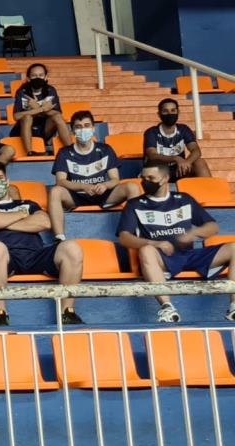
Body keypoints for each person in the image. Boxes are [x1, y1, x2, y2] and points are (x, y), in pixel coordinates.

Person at [117, 161, 235, 322]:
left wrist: (194, 233)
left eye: (151, 178)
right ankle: (167, 308)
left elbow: (212, 226)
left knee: (233, 248)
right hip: (163, 258)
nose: (145, 182)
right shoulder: (135, 204)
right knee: (146, 250)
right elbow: (124, 237)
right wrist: (155, 243)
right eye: (143, 178)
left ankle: (234, 307)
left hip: (190, 254)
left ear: (165, 178)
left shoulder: (184, 199)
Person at [0, 161, 84, 326]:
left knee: (71, 247)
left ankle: (67, 312)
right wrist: (23, 215)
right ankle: (0, 314)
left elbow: (44, 222)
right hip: (7, 259)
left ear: (7, 180)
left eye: (0, 178)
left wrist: (1, 223)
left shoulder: (28, 204)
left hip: (36, 255)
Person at [48, 111, 140, 241]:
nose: (83, 130)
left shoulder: (105, 149)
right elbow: (61, 181)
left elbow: (115, 179)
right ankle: (59, 237)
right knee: (55, 191)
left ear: (93, 128)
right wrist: (83, 186)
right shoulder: (64, 152)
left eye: (86, 125)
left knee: (132, 187)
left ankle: (134, 232)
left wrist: (105, 185)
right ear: (73, 130)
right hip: (76, 195)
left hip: (102, 193)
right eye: (78, 127)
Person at [11, 63, 71, 156]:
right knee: (27, 117)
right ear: (28, 78)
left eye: (41, 75)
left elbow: (57, 112)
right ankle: (29, 152)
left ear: (46, 77)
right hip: (23, 129)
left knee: (57, 116)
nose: (38, 78)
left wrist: (37, 108)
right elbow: (16, 116)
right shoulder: (22, 92)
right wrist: (41, 109)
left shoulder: (51, 90)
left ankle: (71, 149)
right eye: (34, 75)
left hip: (44, 130)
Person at [143, 98, 211, 180]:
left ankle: (209, 188)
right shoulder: (151, 132)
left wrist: (187, 162)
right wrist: (175, 158)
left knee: (199, 162)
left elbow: (196, 150)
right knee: (155, 167)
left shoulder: (184, 129)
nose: (170, 114)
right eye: (165, 111)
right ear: (159, 114)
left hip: (180, 169)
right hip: (159, 170)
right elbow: (152, 155)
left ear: (178, 112)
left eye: (173, 110)